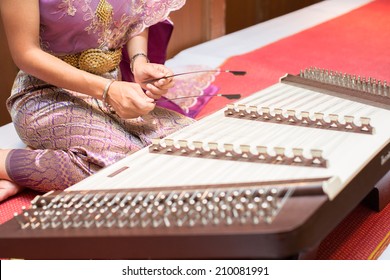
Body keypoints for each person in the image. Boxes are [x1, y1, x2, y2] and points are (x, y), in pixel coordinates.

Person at [0, 0, 195, 202]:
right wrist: (108, 90)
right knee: (123, 166)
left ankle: (41, 162)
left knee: (188, 141)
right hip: (44, 94)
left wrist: (139, 62)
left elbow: (138, 15)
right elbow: (26, 53)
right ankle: (5, 160)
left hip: (109, 91)